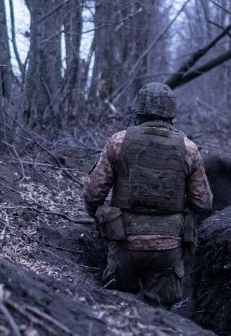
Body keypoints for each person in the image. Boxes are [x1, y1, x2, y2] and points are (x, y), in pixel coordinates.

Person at [83, 82, 213, 309]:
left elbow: (94, 192)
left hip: (124, 243)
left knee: (117, 309)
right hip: (168, 249)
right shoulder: (189, 148)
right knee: (159, 315)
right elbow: (203, 202)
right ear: (171, 112)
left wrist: (99, 216)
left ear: (139, 111)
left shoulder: (118, 142)